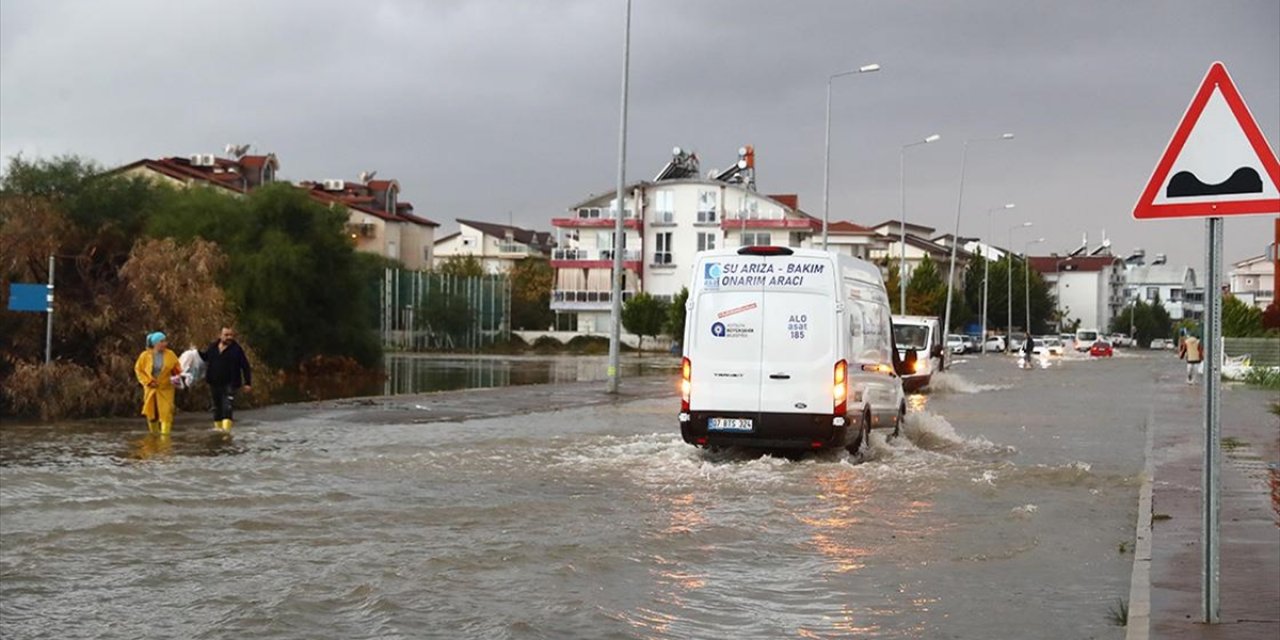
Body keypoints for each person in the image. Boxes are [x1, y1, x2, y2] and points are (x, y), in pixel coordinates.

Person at [200, 326, 252, 431]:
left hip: (230, 383)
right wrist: (195, 352)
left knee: (227, 407)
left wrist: (248, 383)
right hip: (214, 382)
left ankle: (226, 433)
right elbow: (205, 357)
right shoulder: (213, 347)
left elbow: (245, 366)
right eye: (226, 335)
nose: (229, 337)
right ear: (220, 335)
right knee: (216, 407)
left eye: (231, 335)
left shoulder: (237, 349)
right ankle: (218, 431)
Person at [134, 332, 183, 435]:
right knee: (152, 413)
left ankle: (165, 437)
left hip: (166, 388)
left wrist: (177, 376)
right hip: (151, 388)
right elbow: (139, 370)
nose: (165, 343)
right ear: (155, 343)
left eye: (165, 341)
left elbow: (177, 368)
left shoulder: (170, 354)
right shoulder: (145, 355)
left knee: (166, 413)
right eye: (162, 341)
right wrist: (147, 382)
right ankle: (154, 435)